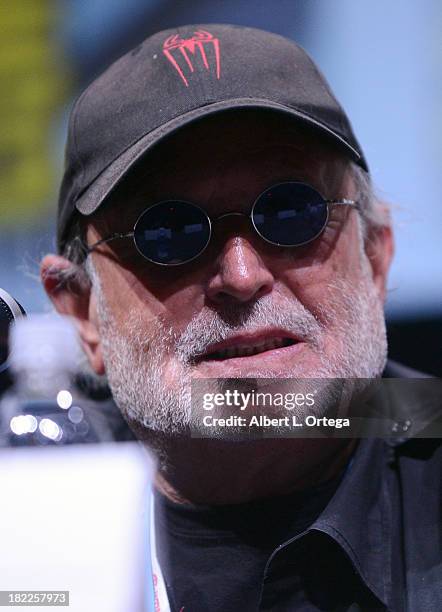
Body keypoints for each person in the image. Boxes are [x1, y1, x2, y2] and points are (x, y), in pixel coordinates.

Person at [41, 24, 441, 611]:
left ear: (375, 258)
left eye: (291, 212)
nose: (242, 275)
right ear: (83, 311)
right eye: (168, 233)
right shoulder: (27, 519)